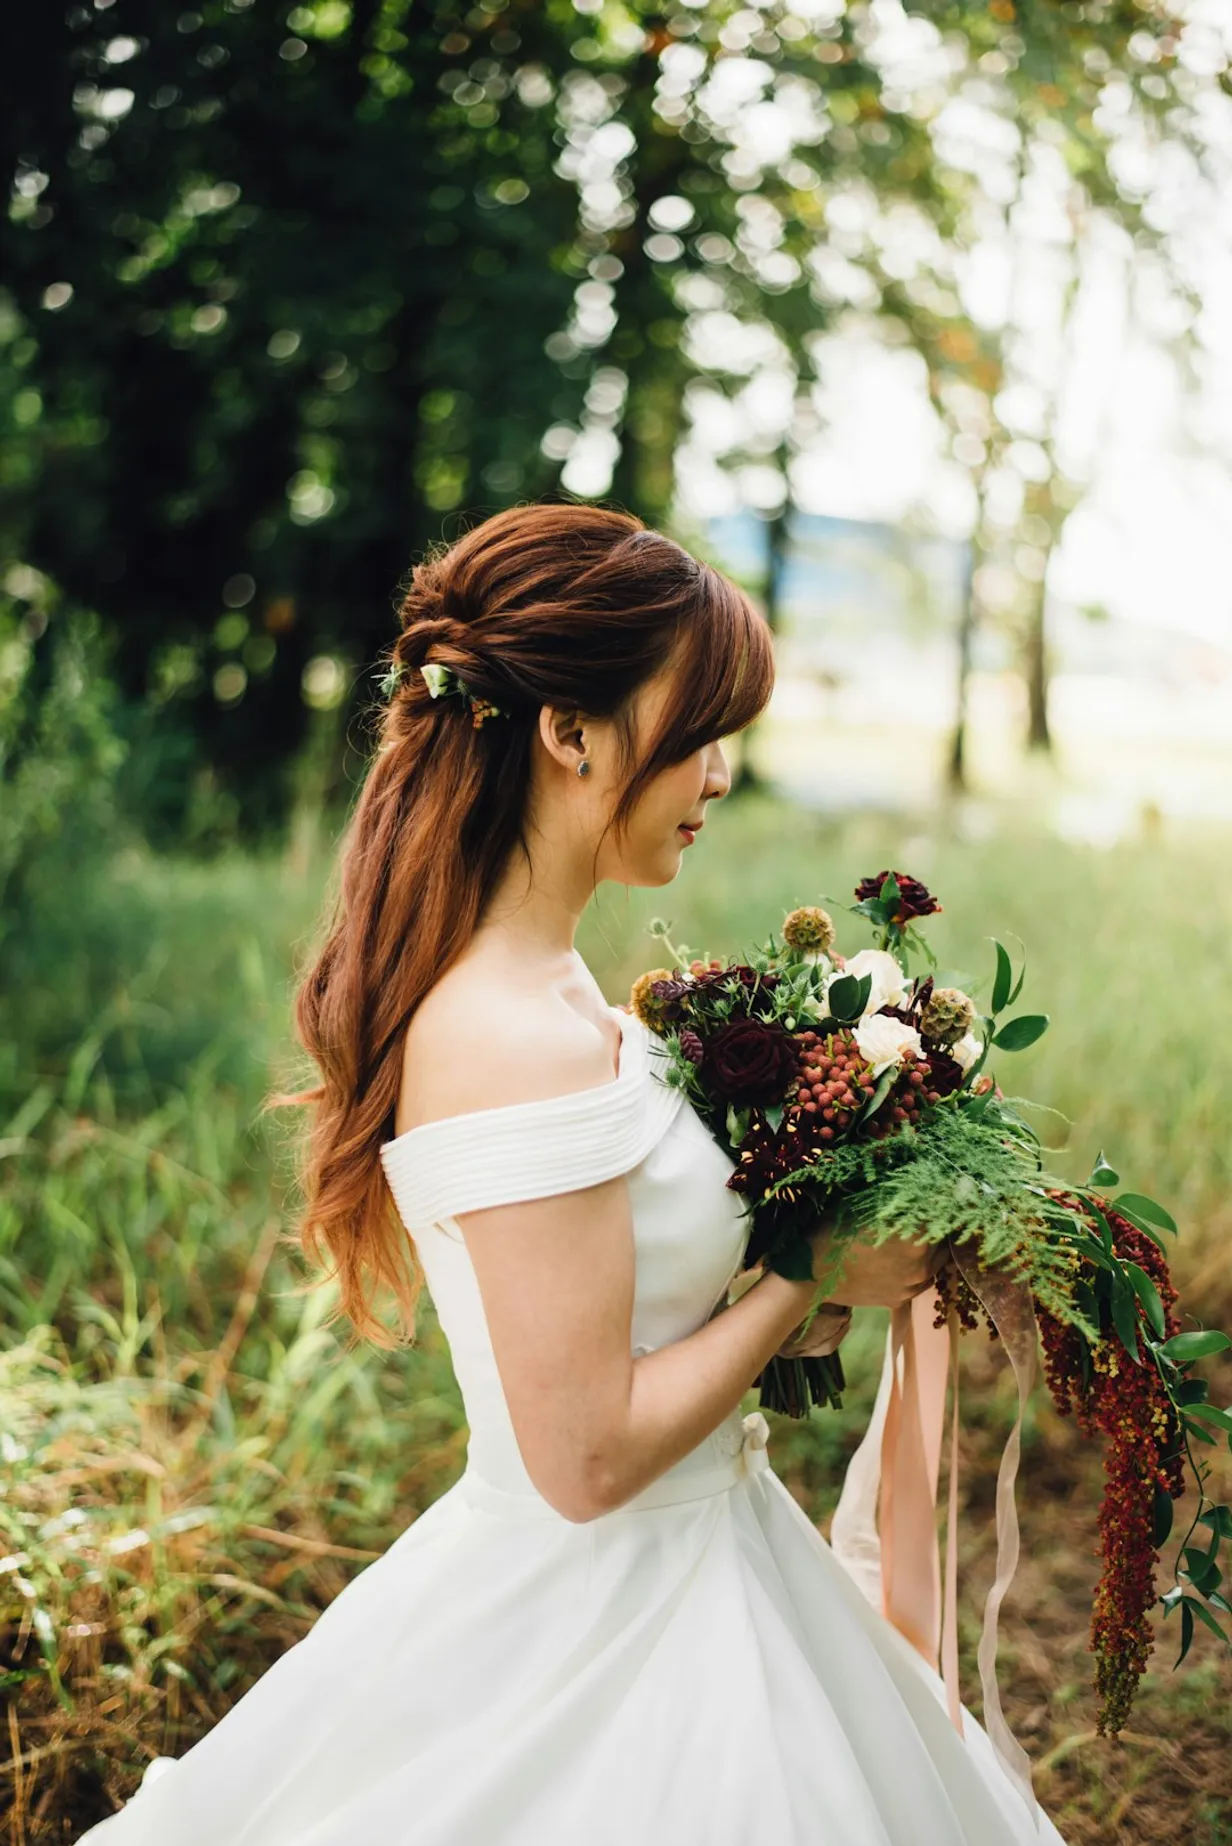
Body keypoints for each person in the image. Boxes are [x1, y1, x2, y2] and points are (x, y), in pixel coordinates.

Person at [76, 503, 1065, 1844]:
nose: (718, 776)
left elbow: (634, 1312)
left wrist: (819, 1249)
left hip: (715, 1546)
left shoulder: (562, 986)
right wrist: (810, 1262)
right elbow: (588, 1458)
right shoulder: (503, 1031)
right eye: (700, 731)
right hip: (606, 1615)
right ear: (572, 730)